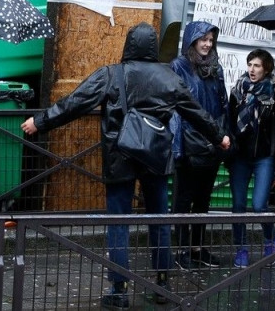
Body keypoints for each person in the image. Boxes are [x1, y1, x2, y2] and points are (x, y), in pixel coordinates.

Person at [20, 23, 229, 309]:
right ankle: (162, 282)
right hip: (155, 156)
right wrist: (219, 137)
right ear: (153, 48)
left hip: (121, 156)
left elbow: (75, 102)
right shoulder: (168, 76)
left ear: (129, 45)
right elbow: (196, 113)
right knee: (159, 219)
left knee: (118, 222)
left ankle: (119, 289)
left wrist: (40, 121)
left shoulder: (112, 74)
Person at [168, 21, 228, 269]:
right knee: (183, 200)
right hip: (190, 143)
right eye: (203, 39)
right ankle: (181, 250)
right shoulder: (178, 66)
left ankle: (197, 248)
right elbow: (176, 108)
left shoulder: (216, 68)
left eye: (211, 40)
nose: (207, 44)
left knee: (203, 200)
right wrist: (178, 146)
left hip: (212, 144)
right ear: (192, 40)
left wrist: (223, 136)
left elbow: (222, 104)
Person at [228, 48, 275, 267]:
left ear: (266, 69)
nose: (252, 70)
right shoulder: (237, 91)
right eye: (250, 64)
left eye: (257, 66)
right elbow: (230, 124)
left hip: (264, 157)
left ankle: (271, 240)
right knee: (238, 206)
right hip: (240, 157)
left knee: (259, 205)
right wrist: (229, 153)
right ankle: (240, 249)